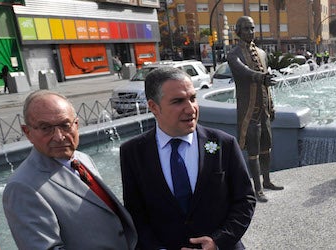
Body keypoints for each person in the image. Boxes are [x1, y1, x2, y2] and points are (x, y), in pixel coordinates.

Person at [120, 66, 255, 249]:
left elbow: (245, 200)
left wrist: (218, 241)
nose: (190, 109)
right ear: (153, 107)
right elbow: (136, 214)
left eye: (192, 98)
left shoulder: (225, 144)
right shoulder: (132, 152)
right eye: (178, 101)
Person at [3, 90, 137, 249]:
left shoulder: (82, 159)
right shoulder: (22, 187)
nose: (59, 136)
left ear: (76, 125)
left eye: (65, 125)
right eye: (46, 128)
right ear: (27, 132)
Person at [226, 16, 282, 202]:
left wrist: (271, 105)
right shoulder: (233, 54)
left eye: (252, 28)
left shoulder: (262, 53)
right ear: (238, 31)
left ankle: (267, 181)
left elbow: (267, 85)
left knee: (267, 148)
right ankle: (257, 188)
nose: (250, 32)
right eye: (246, 29)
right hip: (249, 112)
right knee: (253, 152)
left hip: (264, 111)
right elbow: (244, 72)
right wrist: (261, 77)